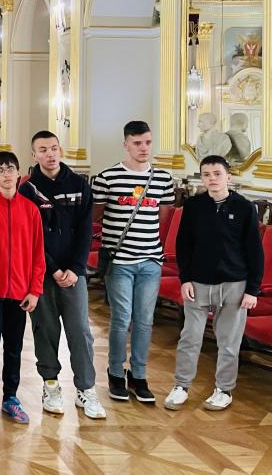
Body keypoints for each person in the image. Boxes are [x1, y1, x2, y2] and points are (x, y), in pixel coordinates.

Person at [164, 156, 263, 412]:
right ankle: (181, 386)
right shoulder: (193, 206)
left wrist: (252, 290)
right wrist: (185, 279)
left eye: (217, 173)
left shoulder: (245, 207)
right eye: (206, 174)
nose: (212, 179)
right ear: (202, 178)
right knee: (190, 337)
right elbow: (184, 245)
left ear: (228, 176)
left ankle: (224, 389)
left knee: (229, 342)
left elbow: (255, 251)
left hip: (235, 284)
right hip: (198, 282)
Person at [19, 131, 106, 419]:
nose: (50, 154)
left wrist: (76, 268)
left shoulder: (79, 185)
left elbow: (85, 230)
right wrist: (53, 268)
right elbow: (32, 237)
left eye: (54, 148)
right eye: (43, 150)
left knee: (80, 331)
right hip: (42, 273)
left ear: (61, 150)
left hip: (73, 274)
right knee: (45, 329)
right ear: (34, 155)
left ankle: (86, 389)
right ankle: (51, 385)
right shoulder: (28, 190)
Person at [92, 120, 175, 403]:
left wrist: (152, 248)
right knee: (121, 319)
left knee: (144, 321)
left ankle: (138, 375)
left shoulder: (163, 179)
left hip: (150, 260)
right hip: (120, 261)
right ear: (126, 144)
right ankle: (116, 372)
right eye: (137, 143)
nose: (144, 148)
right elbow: (96, 216)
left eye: (148, 142)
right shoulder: (107, 178)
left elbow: (162, 218)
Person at [0, 151, 45, 426]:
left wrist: (35, 289)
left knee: (14, 347)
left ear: (18, 173)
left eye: (10, 168)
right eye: (0, 170)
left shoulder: (31, 210)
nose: (6, 174)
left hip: (20, 294)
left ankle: (11, 397)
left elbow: (38, 252)